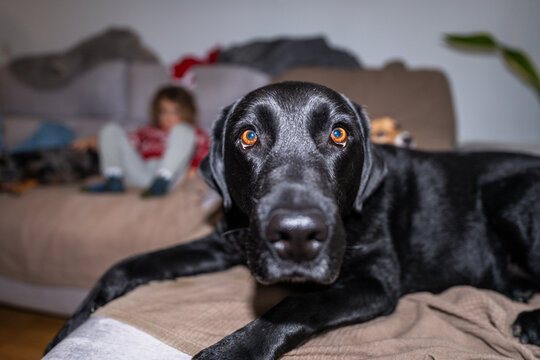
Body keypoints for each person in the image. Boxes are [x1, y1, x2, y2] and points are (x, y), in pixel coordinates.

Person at [72, 85, 209, 197]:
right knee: (110, 129)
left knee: (183, 130)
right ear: (156, 112)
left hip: (172, 176)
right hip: (141, 173)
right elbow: (120, 143)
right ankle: (113, 179)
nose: (168, 117)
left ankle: (162, 180)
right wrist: (92, 140)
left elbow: (207, 149)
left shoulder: (193, 131)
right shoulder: (146, 131)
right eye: (163, 111)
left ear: (188, 111)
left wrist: (195, 168)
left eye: (176, 111)